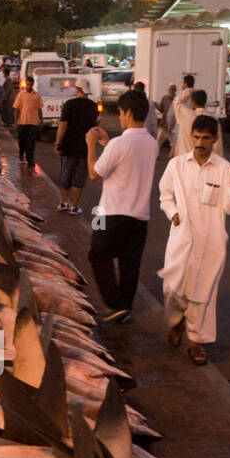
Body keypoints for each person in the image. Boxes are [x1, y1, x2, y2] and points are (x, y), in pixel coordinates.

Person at [157, 114, 230, 366]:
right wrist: (173, 213)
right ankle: (176, 322)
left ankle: (196, 343)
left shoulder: (225, 169)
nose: (200, 142)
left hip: (211, 242)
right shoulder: (176, 165)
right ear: (191, 137)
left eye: (206, 138)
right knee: (172, 288)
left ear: (215, 139)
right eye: (196, 137)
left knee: (202, 293)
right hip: (181, 240)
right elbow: (165, 195)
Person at [84, 90, 159, 323]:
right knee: (130, 263)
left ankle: (114, 303)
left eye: (120, 113)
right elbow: (127, 159)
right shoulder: (152, 143)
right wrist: (107, 143)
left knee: (98, 254)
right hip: (139, 215)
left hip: (111, 212)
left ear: (128, 112)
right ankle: (124, 307)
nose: (119, 118)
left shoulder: (120, 143)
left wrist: (91, 146)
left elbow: (95, 174)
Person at [54, 79, 100, 215]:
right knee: (79, 179)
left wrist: (58, 143)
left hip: (68, 146)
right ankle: (74, 206)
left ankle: (63, 203)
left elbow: (63, 126)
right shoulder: (93, 106)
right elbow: (94, 127)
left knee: (65, 175)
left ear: (78, 89)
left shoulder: (69, 104)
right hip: (85, 147)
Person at [174, 89, 224, 161]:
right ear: (205, 101)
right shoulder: (213, 120)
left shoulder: (186, 115)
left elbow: (177, 101)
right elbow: (218, 147)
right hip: (205, 162)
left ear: (193, 102)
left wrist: (189, 92)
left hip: (184, 161)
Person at [14, 75, 43, 169]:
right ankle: (21, 153)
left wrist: (40, 120)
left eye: (31, 84)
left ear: (33, 84)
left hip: (33, 122)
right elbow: (17, 109)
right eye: (28, 84)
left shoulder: (37, 95)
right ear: (26, 84)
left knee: (31, 143)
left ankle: (30, 160)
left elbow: (39, 109)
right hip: (22, 122)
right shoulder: (21, 95)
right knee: (22, 141)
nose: (29, 85)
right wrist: (16, 121)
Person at [158, 84, 177, 149]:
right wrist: (156, 105)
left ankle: (172, 157)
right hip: (164, 124)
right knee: (158, 141)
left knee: (174, 144)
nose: (171, 91)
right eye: (170, 89)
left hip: (173, 126)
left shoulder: (177, 100)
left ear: (175, 90)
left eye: (173, 89)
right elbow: (161, 109)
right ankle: (155, 155)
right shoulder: (164, 98)